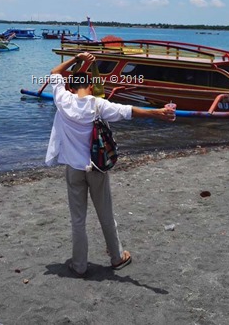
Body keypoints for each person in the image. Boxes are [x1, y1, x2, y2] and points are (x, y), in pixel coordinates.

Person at [45, 52, 174, 277]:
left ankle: (80, 264)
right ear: (90, 85)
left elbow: (55, 73)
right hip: (96, 168)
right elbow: (129, 111)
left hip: (74, 170)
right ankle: (116, 257)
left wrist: (77, 58)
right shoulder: (98, 105)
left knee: (78, 220)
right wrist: (157, 112)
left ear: (72, 87)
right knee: (105, 214)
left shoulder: (63, 101)